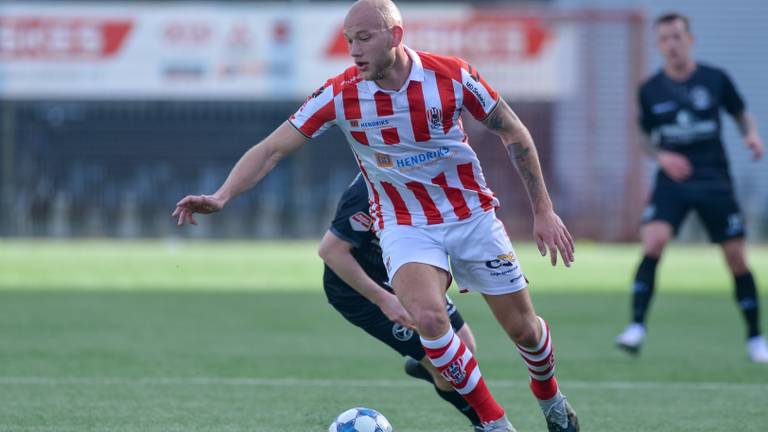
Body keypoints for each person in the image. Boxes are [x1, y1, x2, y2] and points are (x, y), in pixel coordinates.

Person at [172, 1, 579, 430]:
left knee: (524, 331)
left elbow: (513, 131)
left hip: (471, 216)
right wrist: (222, 195)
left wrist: (544, 211)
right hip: (404, 224)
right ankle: (494, 422)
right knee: (428, 317)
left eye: (364, 38)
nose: (354, 50)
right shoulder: (339, 94)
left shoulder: (453, 75)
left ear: (396, 36)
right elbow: (273, 147)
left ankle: (550, 398)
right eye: (349, 41)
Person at [615, 12, 767, 363]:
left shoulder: (715, 79)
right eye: (665, 38)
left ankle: (756, 338)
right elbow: (644, 138)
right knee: (653, 241)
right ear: (658, 45)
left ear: (690, 40)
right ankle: (636, 327)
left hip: (714, 179)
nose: (672, 44)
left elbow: (741, 113)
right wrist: (662, 157)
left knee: (736, 258)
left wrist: (752, 136)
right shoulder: (650, 90)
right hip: (673, 182)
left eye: (677, 36)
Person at [319, 173, 484, 431]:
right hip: (359, 292)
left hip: (404, 273)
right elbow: (330, 251)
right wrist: (383, 300)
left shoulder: (433, 177)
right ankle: (484, 424)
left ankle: (426, 367)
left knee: (466, 349)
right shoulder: (368, 190)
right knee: (448, 366)